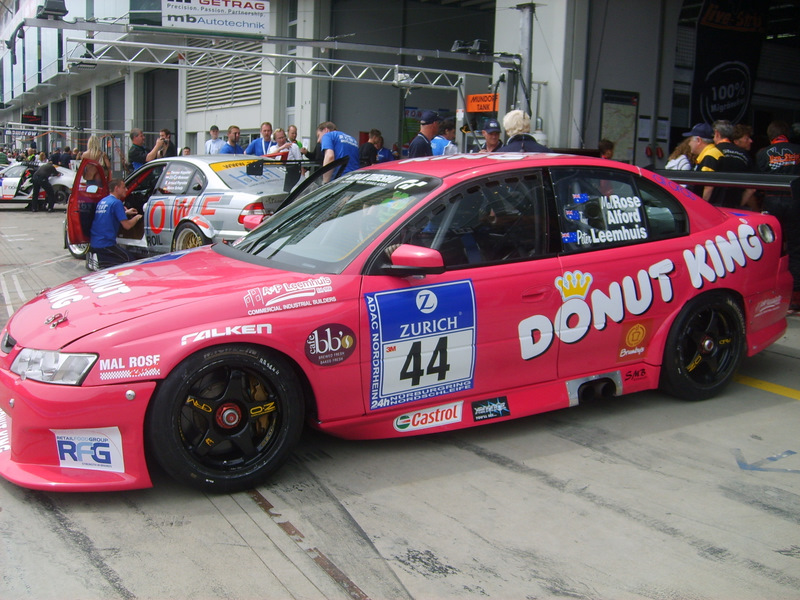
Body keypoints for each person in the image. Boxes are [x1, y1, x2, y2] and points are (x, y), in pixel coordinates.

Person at [756, 120, 800, 311]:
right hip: (795, 202)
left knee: (771, 247)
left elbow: (756, 183)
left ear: (770, 135)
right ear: (787, 134)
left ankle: (769, 294)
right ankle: (795, 297)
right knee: (796, 247)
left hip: (771, 202)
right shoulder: (798, 150)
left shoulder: (762, 153)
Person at [88, 178, 143, 270]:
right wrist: (137, 217)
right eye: (124, 187)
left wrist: (125, 213)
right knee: (131, 261)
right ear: (117, 188)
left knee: (106, 267)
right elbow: (127, 226)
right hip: (106, 245)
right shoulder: (117, 203)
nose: (126, 189)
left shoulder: (104, 201)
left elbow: (108, 215)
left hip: (95, 243)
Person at [712, 120, 756, 209]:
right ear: (736, 141)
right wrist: (739, 205)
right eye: (747, 138)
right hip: (734, 208)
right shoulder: (745, 157)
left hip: (713, 206)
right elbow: (751, 188)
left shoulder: (714, 152)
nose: (751, 141)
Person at [683, 122, 722, 202]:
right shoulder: (709, 154)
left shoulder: (710, 155)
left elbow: (708, 186)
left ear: (698, 140)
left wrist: (701, 206)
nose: (689, 144)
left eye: (690, 140)